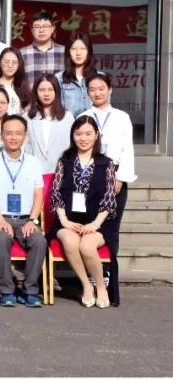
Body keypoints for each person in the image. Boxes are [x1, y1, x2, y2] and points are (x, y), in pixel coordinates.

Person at [48, 115, 118, 308]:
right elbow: (56, 193)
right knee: (71, 241)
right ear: (73, 136)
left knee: (87, 246)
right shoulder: (65, 161)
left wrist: (95, 224)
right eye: (78, 134)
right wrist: (64, 220)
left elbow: (109, 198)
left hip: (98, 222)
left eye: (88, 133)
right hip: (68, 220)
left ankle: (101, 287)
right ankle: (86, 285)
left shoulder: (106, 163)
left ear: (96, 135)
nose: (83, 138)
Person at [0, 115, 47, 308]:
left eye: (18, 133)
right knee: (2, 238)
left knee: (39, 241)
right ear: (2, 135)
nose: (13, 137)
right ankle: (6, 290)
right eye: (9, 133)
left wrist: (32, 220)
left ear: (25, 136)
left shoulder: (33, 162)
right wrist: (1, 220)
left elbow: (38, 195)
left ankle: (30, 290)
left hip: (26, 219)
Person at [82, 72, 136, 306]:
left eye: (101, 88)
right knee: (90, 225)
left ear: (110, 89)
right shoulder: (84, 116)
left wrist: (121, 178)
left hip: (115, 178)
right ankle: (92, 276)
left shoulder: (122, 117)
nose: (97, 93)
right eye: (92, 89)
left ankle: (108, 280)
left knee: (109, 230)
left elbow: (127, 150)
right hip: (90, 180)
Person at [24, 74, 74, 173]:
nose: (46, 94)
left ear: (56, 91)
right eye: (42, 90)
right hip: (34, 172)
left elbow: (72, 147)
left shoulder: (68, 117)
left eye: (50, 89)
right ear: (36, 92)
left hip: (61, 172)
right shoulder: (27, 118)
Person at [19, 11, 64, 85]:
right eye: (37, 27)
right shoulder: (22, 53)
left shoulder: (63, 52)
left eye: (45, 26)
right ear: (32, 30)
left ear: (52, 28)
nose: (41, 30)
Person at [59, 32, 97, 117]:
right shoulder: (59, 78)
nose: (78, 53)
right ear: (68, 52)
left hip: (95, 124)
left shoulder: (100, 77)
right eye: (74, 49)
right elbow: (57, 111)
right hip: (69, 125)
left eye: (83, 48)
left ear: (89, 51)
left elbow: (105, 109)